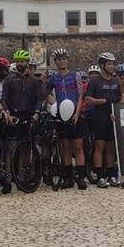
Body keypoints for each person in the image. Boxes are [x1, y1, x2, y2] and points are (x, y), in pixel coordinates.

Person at [0, 49, 44, 194]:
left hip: (30, 116)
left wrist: (37, 113)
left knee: (26, 148)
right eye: (17, 61)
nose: (20, 63)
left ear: (27, 62)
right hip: (14, 115)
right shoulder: (9, 79)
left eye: (22, 61)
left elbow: (39, 99)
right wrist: (7, 113)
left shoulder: (36, 81)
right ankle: (7, 178)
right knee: (10, 148)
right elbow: (4, 99)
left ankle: (20, 176)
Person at [45, 48, 88, 190]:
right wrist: (55, 105)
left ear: (67, 60)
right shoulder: (54, 78)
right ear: (55, 62)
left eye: (63, 58)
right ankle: (68, 178)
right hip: (61, 115)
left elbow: (81, 95)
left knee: (78, 146)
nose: (61, 61)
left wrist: (77, 113)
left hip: (75, 114)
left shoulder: (75, 75)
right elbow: (46, 93)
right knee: (66, 148)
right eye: (58, 59)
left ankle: (81, 178)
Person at [85, 52, 122, 188]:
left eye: (113, 64)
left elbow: (120, 98)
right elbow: (88, 99)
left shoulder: (115, 81)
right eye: (109, 64)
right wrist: (104, 101)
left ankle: (112, 175)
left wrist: (117, 111)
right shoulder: (95, 82)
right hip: (99, 117)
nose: (112, 66)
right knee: (99, 147)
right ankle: (100, 176)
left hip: (112, 117)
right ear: (102, 65)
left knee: (111, 148)